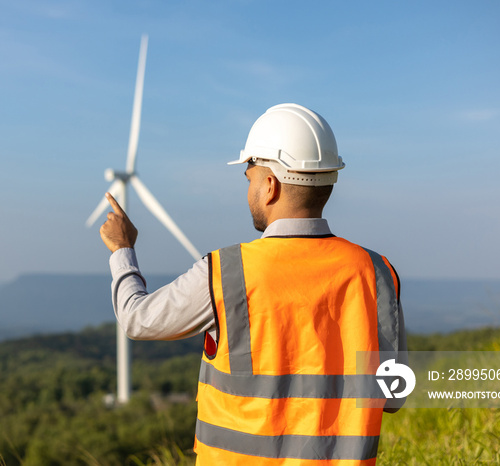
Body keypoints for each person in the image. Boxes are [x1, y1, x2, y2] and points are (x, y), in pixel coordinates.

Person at [99, 103, 407, 465]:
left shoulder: (225, 272)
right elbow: (393, 397)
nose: (249, 191)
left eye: (250, 179)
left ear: (270, 186)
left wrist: (122, 250)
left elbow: (137, 319)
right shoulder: (377, 272)